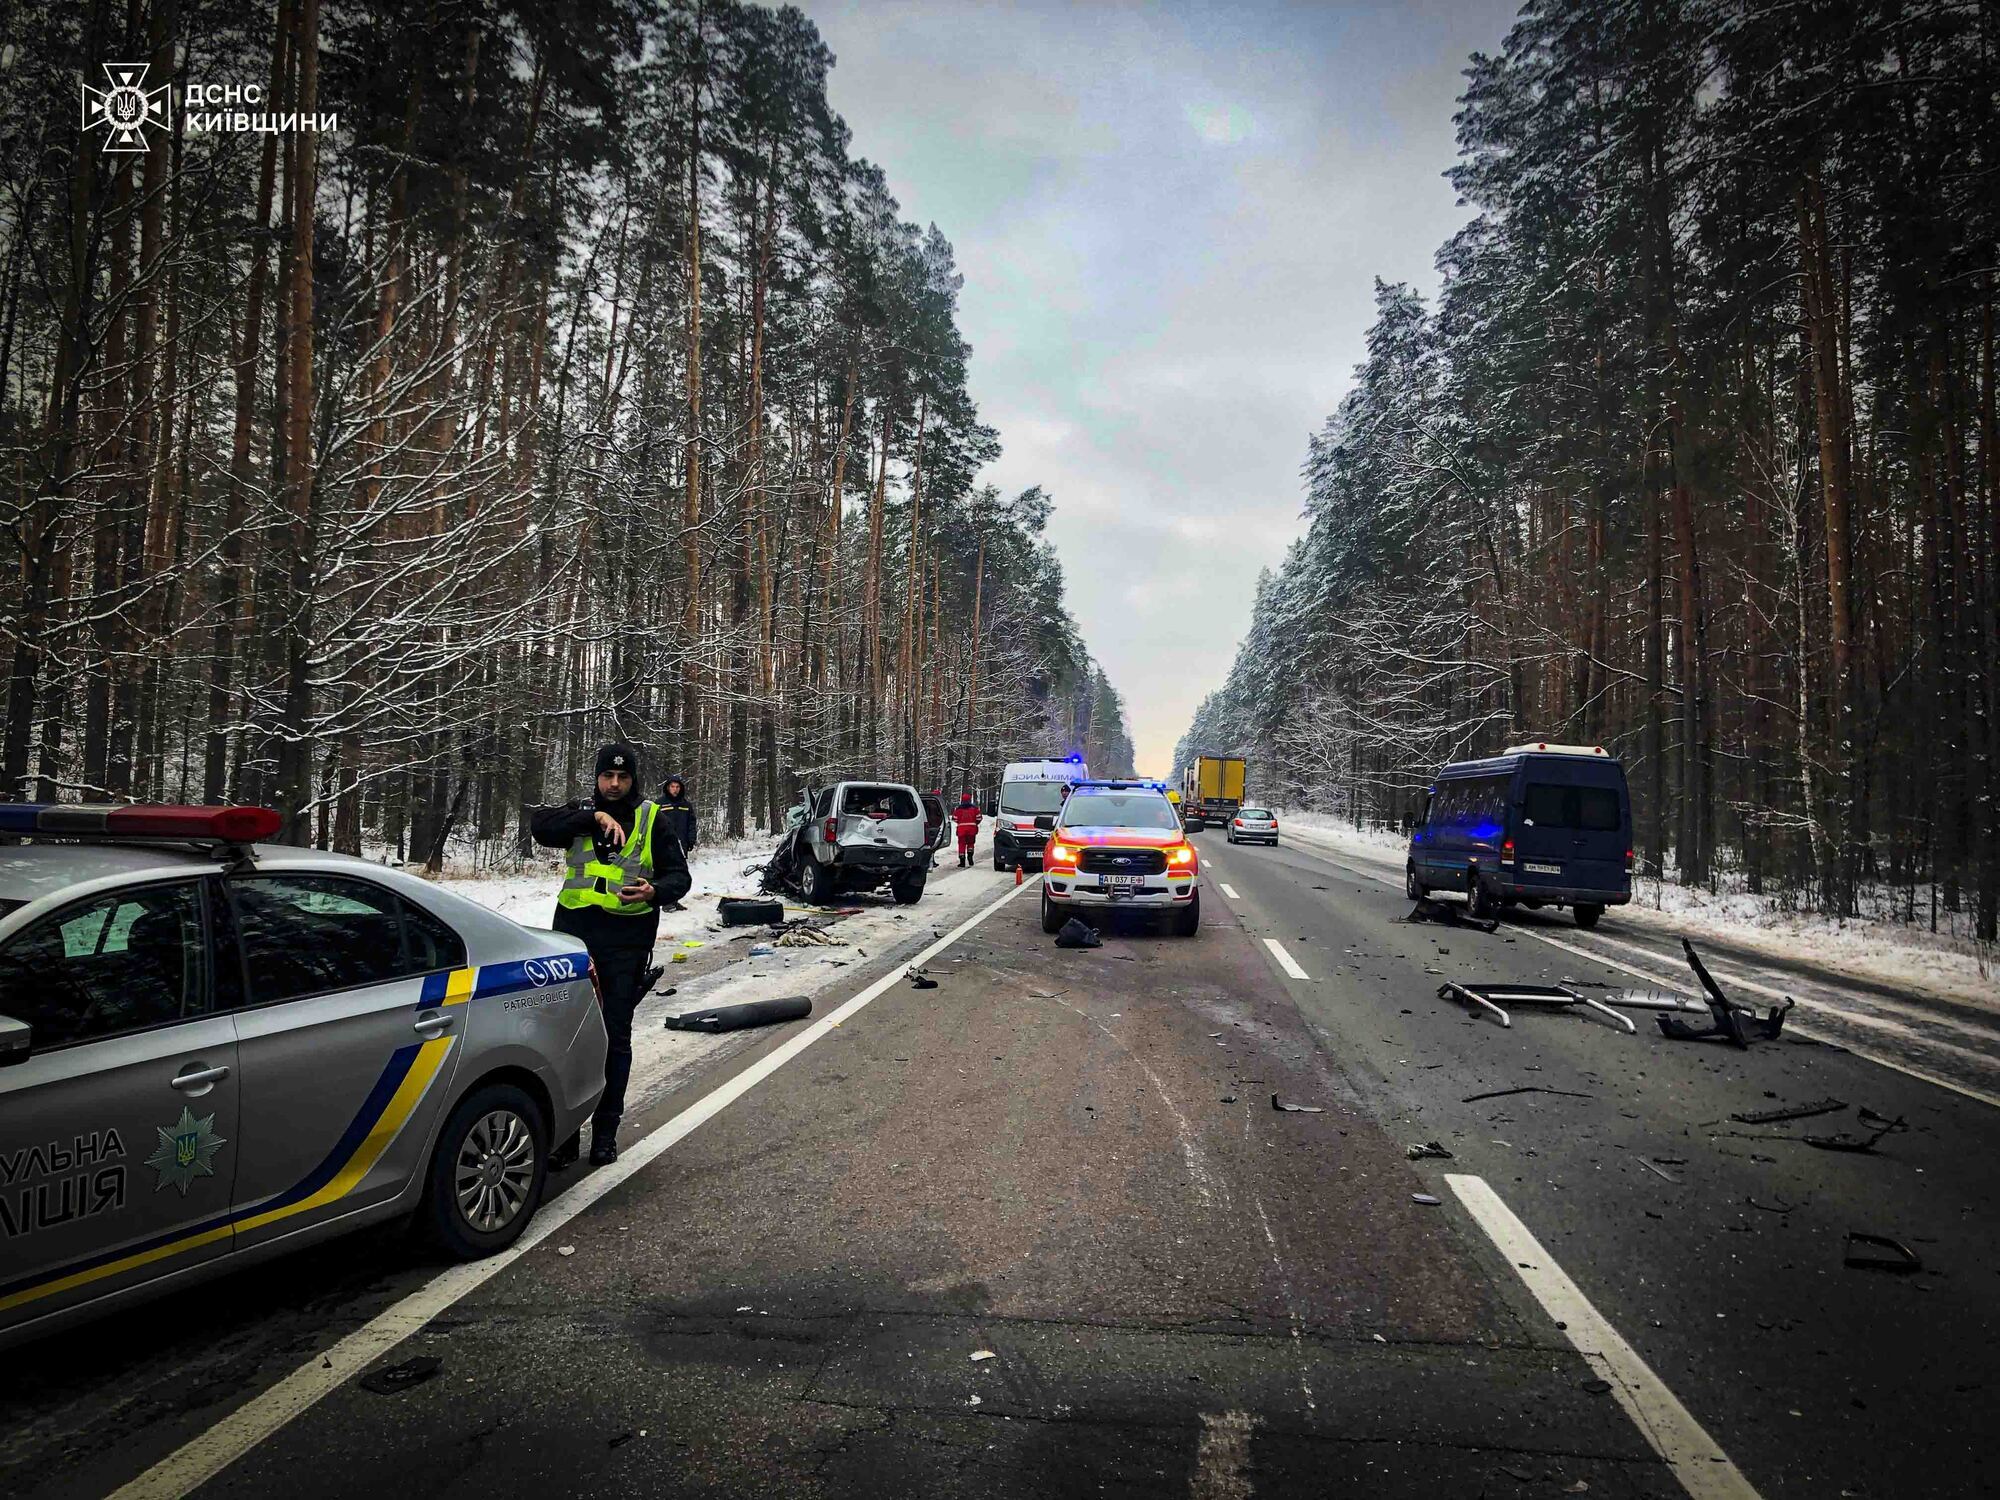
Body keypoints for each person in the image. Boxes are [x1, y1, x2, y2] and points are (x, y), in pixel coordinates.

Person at [532, 742, 691, 1166]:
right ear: (597, 777)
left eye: (623, 777)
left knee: (613, 1038)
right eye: (608, 776)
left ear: (633, 778)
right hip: (574, 940)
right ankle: (564, 1137)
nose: (615, 784)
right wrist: (591, 816)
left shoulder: (651, 817)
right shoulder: (580, 813)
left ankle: (605, 1132)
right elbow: (540, 826)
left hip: (626, 941)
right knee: (566, 1039)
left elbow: (681, 877)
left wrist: (656, 890)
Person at [951, 791, 982, 867]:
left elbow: (954, 818)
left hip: (961, 830)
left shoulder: (958, 809)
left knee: (961, 844)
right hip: (972, 829)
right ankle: (970, 856)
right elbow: (979, 817)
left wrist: (960, 822)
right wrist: (975, 823)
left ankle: (962, 861)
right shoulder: (974, 809)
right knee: (971, 843)